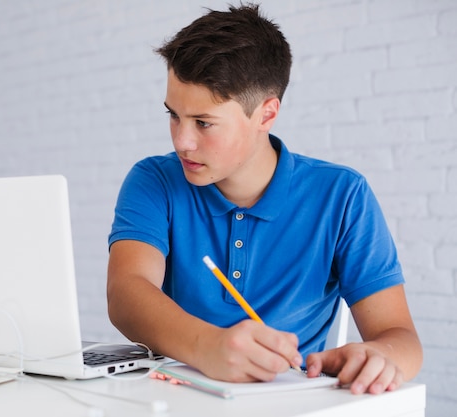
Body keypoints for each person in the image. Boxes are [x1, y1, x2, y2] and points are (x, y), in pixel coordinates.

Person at [106, 3, 422, 395]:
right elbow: (126, 293)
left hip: (286, 400)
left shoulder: (342, 195)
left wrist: (379, 357)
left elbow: (401, 337)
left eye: (203, 123)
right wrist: (208, 346)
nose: (182, 141)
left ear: (266, 115)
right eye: (174, 115)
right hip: (174, 398)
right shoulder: (154, 180)